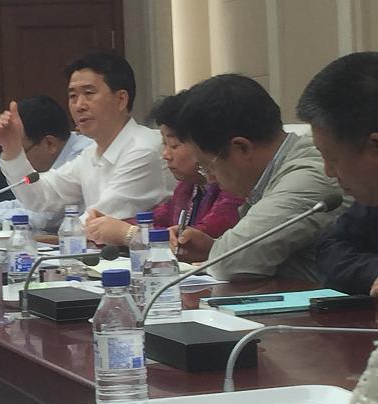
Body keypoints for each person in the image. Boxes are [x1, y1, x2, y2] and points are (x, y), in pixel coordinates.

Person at [170, 74, 345, 281]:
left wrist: (220, 254)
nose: (210, 179)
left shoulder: (310, 175)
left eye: (207, 166)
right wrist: (213, 248)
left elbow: (231, 263)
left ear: (241, 148)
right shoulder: (277, 171)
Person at [0, 51, 174, 222]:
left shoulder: (143, 150)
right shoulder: (91, 153)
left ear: (121, 99)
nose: (79, 105)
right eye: (73, 96)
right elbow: (41, 198)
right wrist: (12, 148)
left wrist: (66, 233)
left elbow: (97, 221)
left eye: (89, 93)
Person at [85, 92, 244, 246]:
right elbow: (156, 220)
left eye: (174, 145)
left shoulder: (232, 187)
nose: (166, 155)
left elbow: (194, 241)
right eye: (164, 144)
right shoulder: (187, 186)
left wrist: (128, 233)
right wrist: (106, 224)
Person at [296, 52, 378, 295]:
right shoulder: (371, 203)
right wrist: (372, 272)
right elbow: (330, 250)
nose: (329, 172)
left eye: (332, 158)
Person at [0, 95, 93, 231]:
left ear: (50, 143)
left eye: (21, 152)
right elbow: (29, 202)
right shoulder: (70, 155)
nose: (19, 159)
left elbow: (46, 217)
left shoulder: (84, 154)